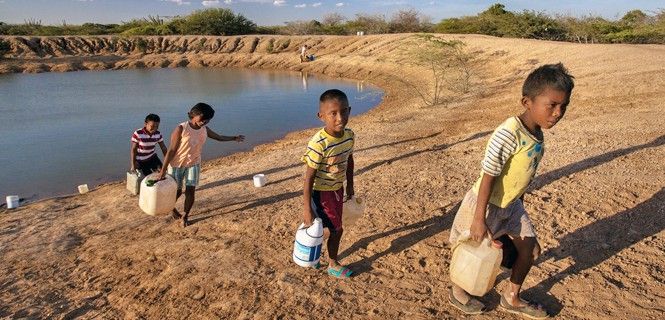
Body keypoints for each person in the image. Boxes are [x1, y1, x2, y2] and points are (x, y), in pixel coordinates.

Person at [447, 63, 575, 318]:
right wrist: (478, 217)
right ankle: (458, 291)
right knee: (473, 249)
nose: (558, 112)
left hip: (512, 205)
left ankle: (511, 297)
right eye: (552, 105)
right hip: (484, 203)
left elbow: (522, 177)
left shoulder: (537, 133)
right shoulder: (508, 132)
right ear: (527, 101)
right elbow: (489, 175)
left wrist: (519, 205)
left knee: (531, 250)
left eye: (564, 106)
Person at [156, 103, 245, 227]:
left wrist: (234, 138)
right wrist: (163, 170)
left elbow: (218, 137)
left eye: (208, 120)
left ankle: (185, 216)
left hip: (194, 164)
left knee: (190, 191)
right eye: (202, 119)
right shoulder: (181, 128)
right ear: (194, 115)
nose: (205, 122)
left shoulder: (204, 129)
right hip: (177, 164)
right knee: (177, 192)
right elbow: (171, 150)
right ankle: (171, 208)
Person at [302, 89, 355, 279]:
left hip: (337, 189)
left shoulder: (349, 136)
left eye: (343, 111)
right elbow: (309, 178)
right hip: (321, 192)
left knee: (325, 227)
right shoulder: (319, 143)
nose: (339, 118)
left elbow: (349, 159)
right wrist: (307, 208)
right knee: (336, 229)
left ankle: (314, 256)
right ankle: (332, 263)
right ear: (321, 116)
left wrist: (350, 185)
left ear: (349, 110)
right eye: (333, 113)